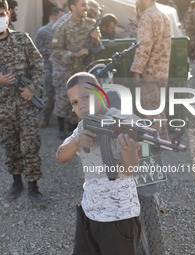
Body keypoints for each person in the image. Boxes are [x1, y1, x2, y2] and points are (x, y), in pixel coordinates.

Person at [56, 72, 141, 255]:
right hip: (89, 213)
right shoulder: (83, 126)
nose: (82, 105)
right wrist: (77, 140)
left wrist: (129, 148)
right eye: (75, 102)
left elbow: (129, 170)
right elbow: (61, 157)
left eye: (86, 97)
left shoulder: (121, 121)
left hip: (119, 218)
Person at [0, 0, 47, 205]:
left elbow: (38, 65)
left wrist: (33, 89)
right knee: (10, 145)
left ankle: (34, 186)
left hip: (26, 104)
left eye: (1, 14)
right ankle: (16, 182)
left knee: (30, 144)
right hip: (3, 106)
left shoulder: (22, 39)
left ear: (8, 14)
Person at [51, 0, 104, 139]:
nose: (86, 8)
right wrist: (74, 54)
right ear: (73, 7)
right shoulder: (63, 27)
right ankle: (61, 127)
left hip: (87, 68)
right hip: (69, 68)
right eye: (83, 5)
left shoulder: (91, 24)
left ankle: (78, 125)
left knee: (86, 97)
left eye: (86, 4)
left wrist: (97, 39)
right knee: (64, 98)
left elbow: (98, 47)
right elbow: (56, 51)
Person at [131, 0, 171, 140]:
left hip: (149, 72)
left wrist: (136, 70)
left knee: (149, 111)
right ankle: (164, 139)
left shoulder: (147, 17)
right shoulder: (163, 16)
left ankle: (154, 145)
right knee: (159, 109)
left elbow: (143, 47)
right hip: (162, 72)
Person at [35, 7, 65, 128]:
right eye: (60, 17)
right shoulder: (43, 31)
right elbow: (36, 49)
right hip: (47, 67)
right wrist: (51, 52)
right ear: (53, 17)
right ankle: (46, 117)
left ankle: (63, 118)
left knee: (62, 94)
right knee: (48, 94)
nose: (63, 20)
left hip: (61, 68)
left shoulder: (63, 31)